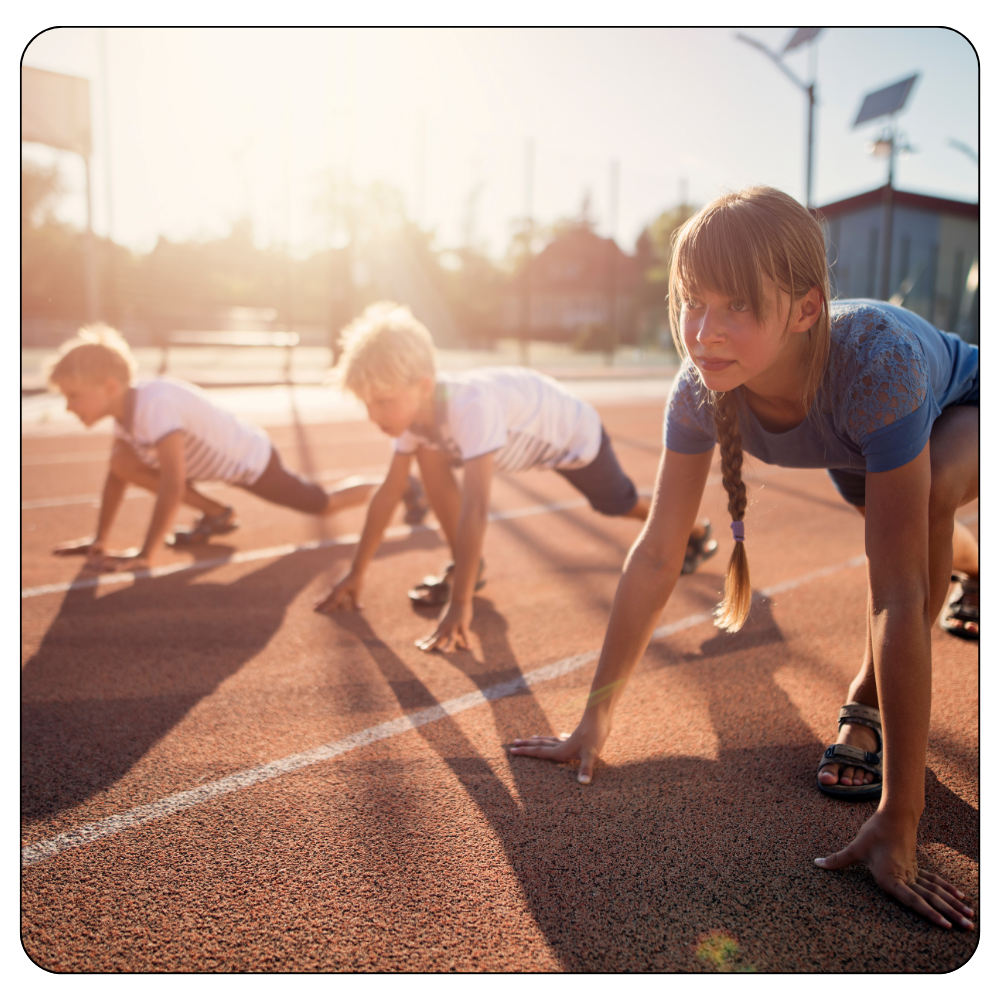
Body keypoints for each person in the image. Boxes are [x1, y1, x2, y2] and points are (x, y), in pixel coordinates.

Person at [510, 187, 977, 930]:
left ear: (805, 309)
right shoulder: (699, 392)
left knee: (926, 510)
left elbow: (896, 595)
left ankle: (867, 702)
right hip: (862, 439)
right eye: (694, 302)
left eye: (737, 307)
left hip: (961, 405)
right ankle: (972, 570)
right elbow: (659, 550)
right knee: (909, 527)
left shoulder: (876, 367)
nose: (705, 332)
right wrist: (591, 722)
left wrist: (901, 820)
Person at [314, 302, 716, 649]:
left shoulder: (469, 408)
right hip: (524, 432)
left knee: (617, 504)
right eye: (367, 404)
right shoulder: (413, 421)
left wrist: (460, 604)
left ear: (422, 387)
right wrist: (356, 572)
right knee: (428, 457)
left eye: (383, 402)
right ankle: (467, 566)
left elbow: (475, 509)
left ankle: (695, 532)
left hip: (573, 437)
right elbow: (389, 491)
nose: (374, 416)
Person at [47, 326, 427, 572]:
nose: (68, 406)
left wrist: (146, 554)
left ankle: (404, 487)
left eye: (74, 396)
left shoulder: (154, 406)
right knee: (120, 461)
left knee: (320, 503)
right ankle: (217, 514)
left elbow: (173, 483)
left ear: (110, 387)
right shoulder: (124, 418)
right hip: (212, 465)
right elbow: (118, 477)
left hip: (250, 460)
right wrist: (100, 540)